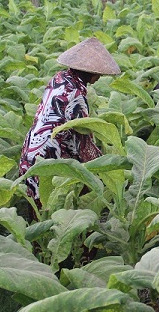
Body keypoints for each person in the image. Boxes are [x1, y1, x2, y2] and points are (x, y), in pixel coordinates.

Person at [19, 37, 121, 204]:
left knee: (40, 213)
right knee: (69, 205)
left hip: (32, 152)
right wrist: (108, 168)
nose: (100, 77)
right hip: (50, 158)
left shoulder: (60, 78)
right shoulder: (76, 95)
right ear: (89, 72)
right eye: (98, 73)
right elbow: (82, 142)